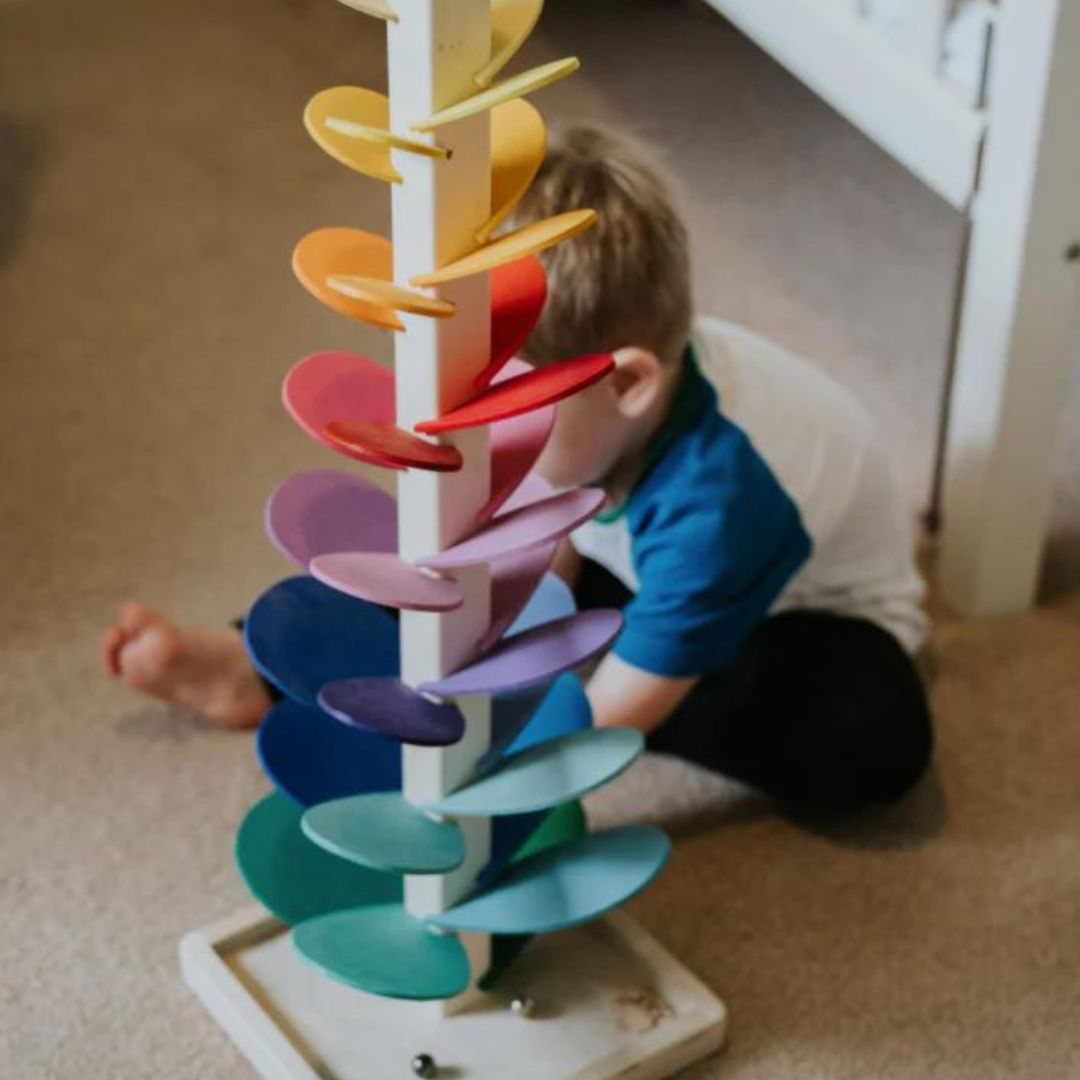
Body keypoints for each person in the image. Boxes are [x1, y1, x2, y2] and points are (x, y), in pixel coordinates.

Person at [103, 125, 932, 810]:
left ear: (630, 385)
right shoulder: (589, 418)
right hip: (633, 566)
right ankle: (259, 663)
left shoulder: (719, 504)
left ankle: (604, 661)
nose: (475, 431)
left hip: (788, 621)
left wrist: (474, 793)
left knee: (869, 742)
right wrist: (496, 613)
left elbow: (606, 727)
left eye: (502, 407)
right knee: (441, 573)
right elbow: (533, 561)